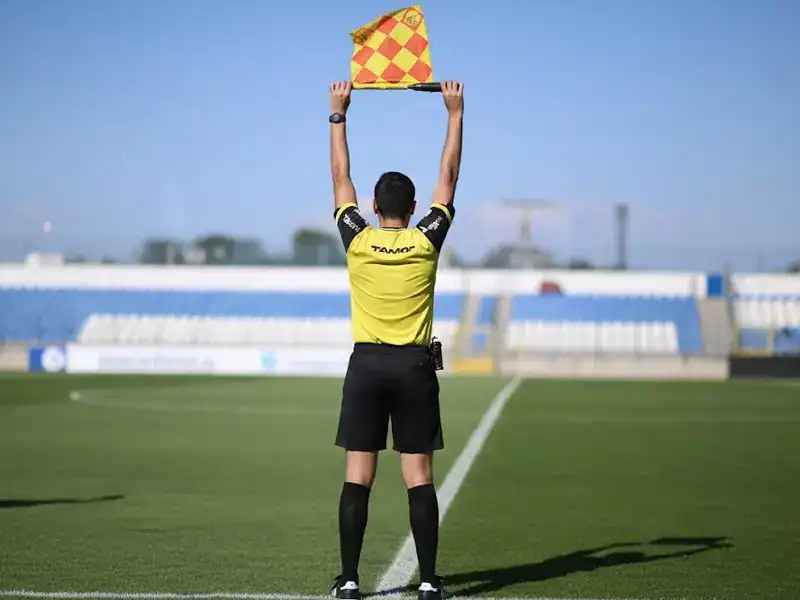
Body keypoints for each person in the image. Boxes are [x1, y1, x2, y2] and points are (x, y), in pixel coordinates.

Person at [327, 79, 464, 600]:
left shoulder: (357, 240)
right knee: (419, 476)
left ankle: (349, 579)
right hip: (413, 369)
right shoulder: (426, 239)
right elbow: (448, 176)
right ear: (411, 208)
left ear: (374, 206)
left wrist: (338, 115)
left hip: (366, 367)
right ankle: (428, 579)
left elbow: (341, 176)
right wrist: (454, 115)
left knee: (358, 476)